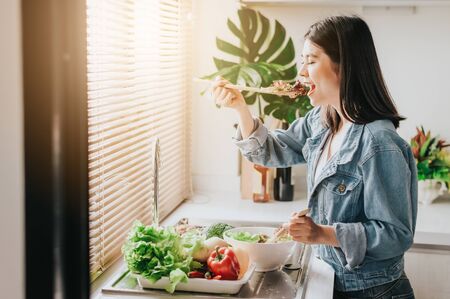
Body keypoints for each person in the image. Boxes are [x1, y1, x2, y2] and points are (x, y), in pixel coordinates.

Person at [212, 15, 417, 298]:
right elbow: (272, 151)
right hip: (330, 279)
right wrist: (240, 109)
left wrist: (322, 233)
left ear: (345, 65)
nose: (301, 73)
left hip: (374, 292)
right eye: (302, 61)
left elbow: (395, 235)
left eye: (311, 60)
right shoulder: (323, 119)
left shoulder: (378, 144)